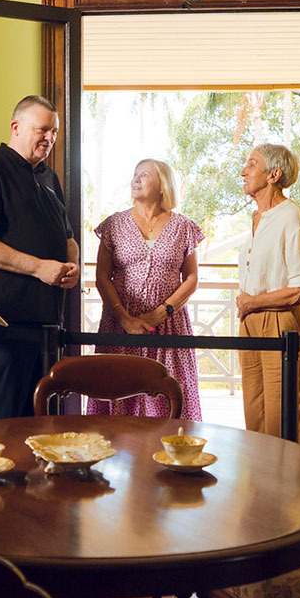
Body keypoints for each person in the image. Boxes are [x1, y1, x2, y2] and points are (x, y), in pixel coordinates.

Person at [0, 95, 79, 419]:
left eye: (54, 132)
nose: (50, 138)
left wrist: (73, 265)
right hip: (10, 318)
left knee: (41, 416)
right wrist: (40, 268)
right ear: (16, 127)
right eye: (43, 129)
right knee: (8, 415)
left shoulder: (48, 176)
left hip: (49, 319)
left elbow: (67, 237)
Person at [87, 159, 202, 419]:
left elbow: (192, 278)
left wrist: (161, 313)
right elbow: (102, 277)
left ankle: (167, 445)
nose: (136, 180)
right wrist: (124, 318)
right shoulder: (113, 224)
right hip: (120, 325)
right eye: (135, 174)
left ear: (162, 186)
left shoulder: (184, 227)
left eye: (144, 175)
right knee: (118, 395)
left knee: (167, 398)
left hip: (169, 327)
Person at [235, 143, 300, 444]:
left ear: (274, 175)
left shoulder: (291, 216)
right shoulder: (256, 218)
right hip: (250, 321)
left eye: (252, 165)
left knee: (285, 415)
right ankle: (261, 475)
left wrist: (252, 301)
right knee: (255, 412)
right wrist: (248, 306)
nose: (243, 172)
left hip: (281, 323)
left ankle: (297, 474)